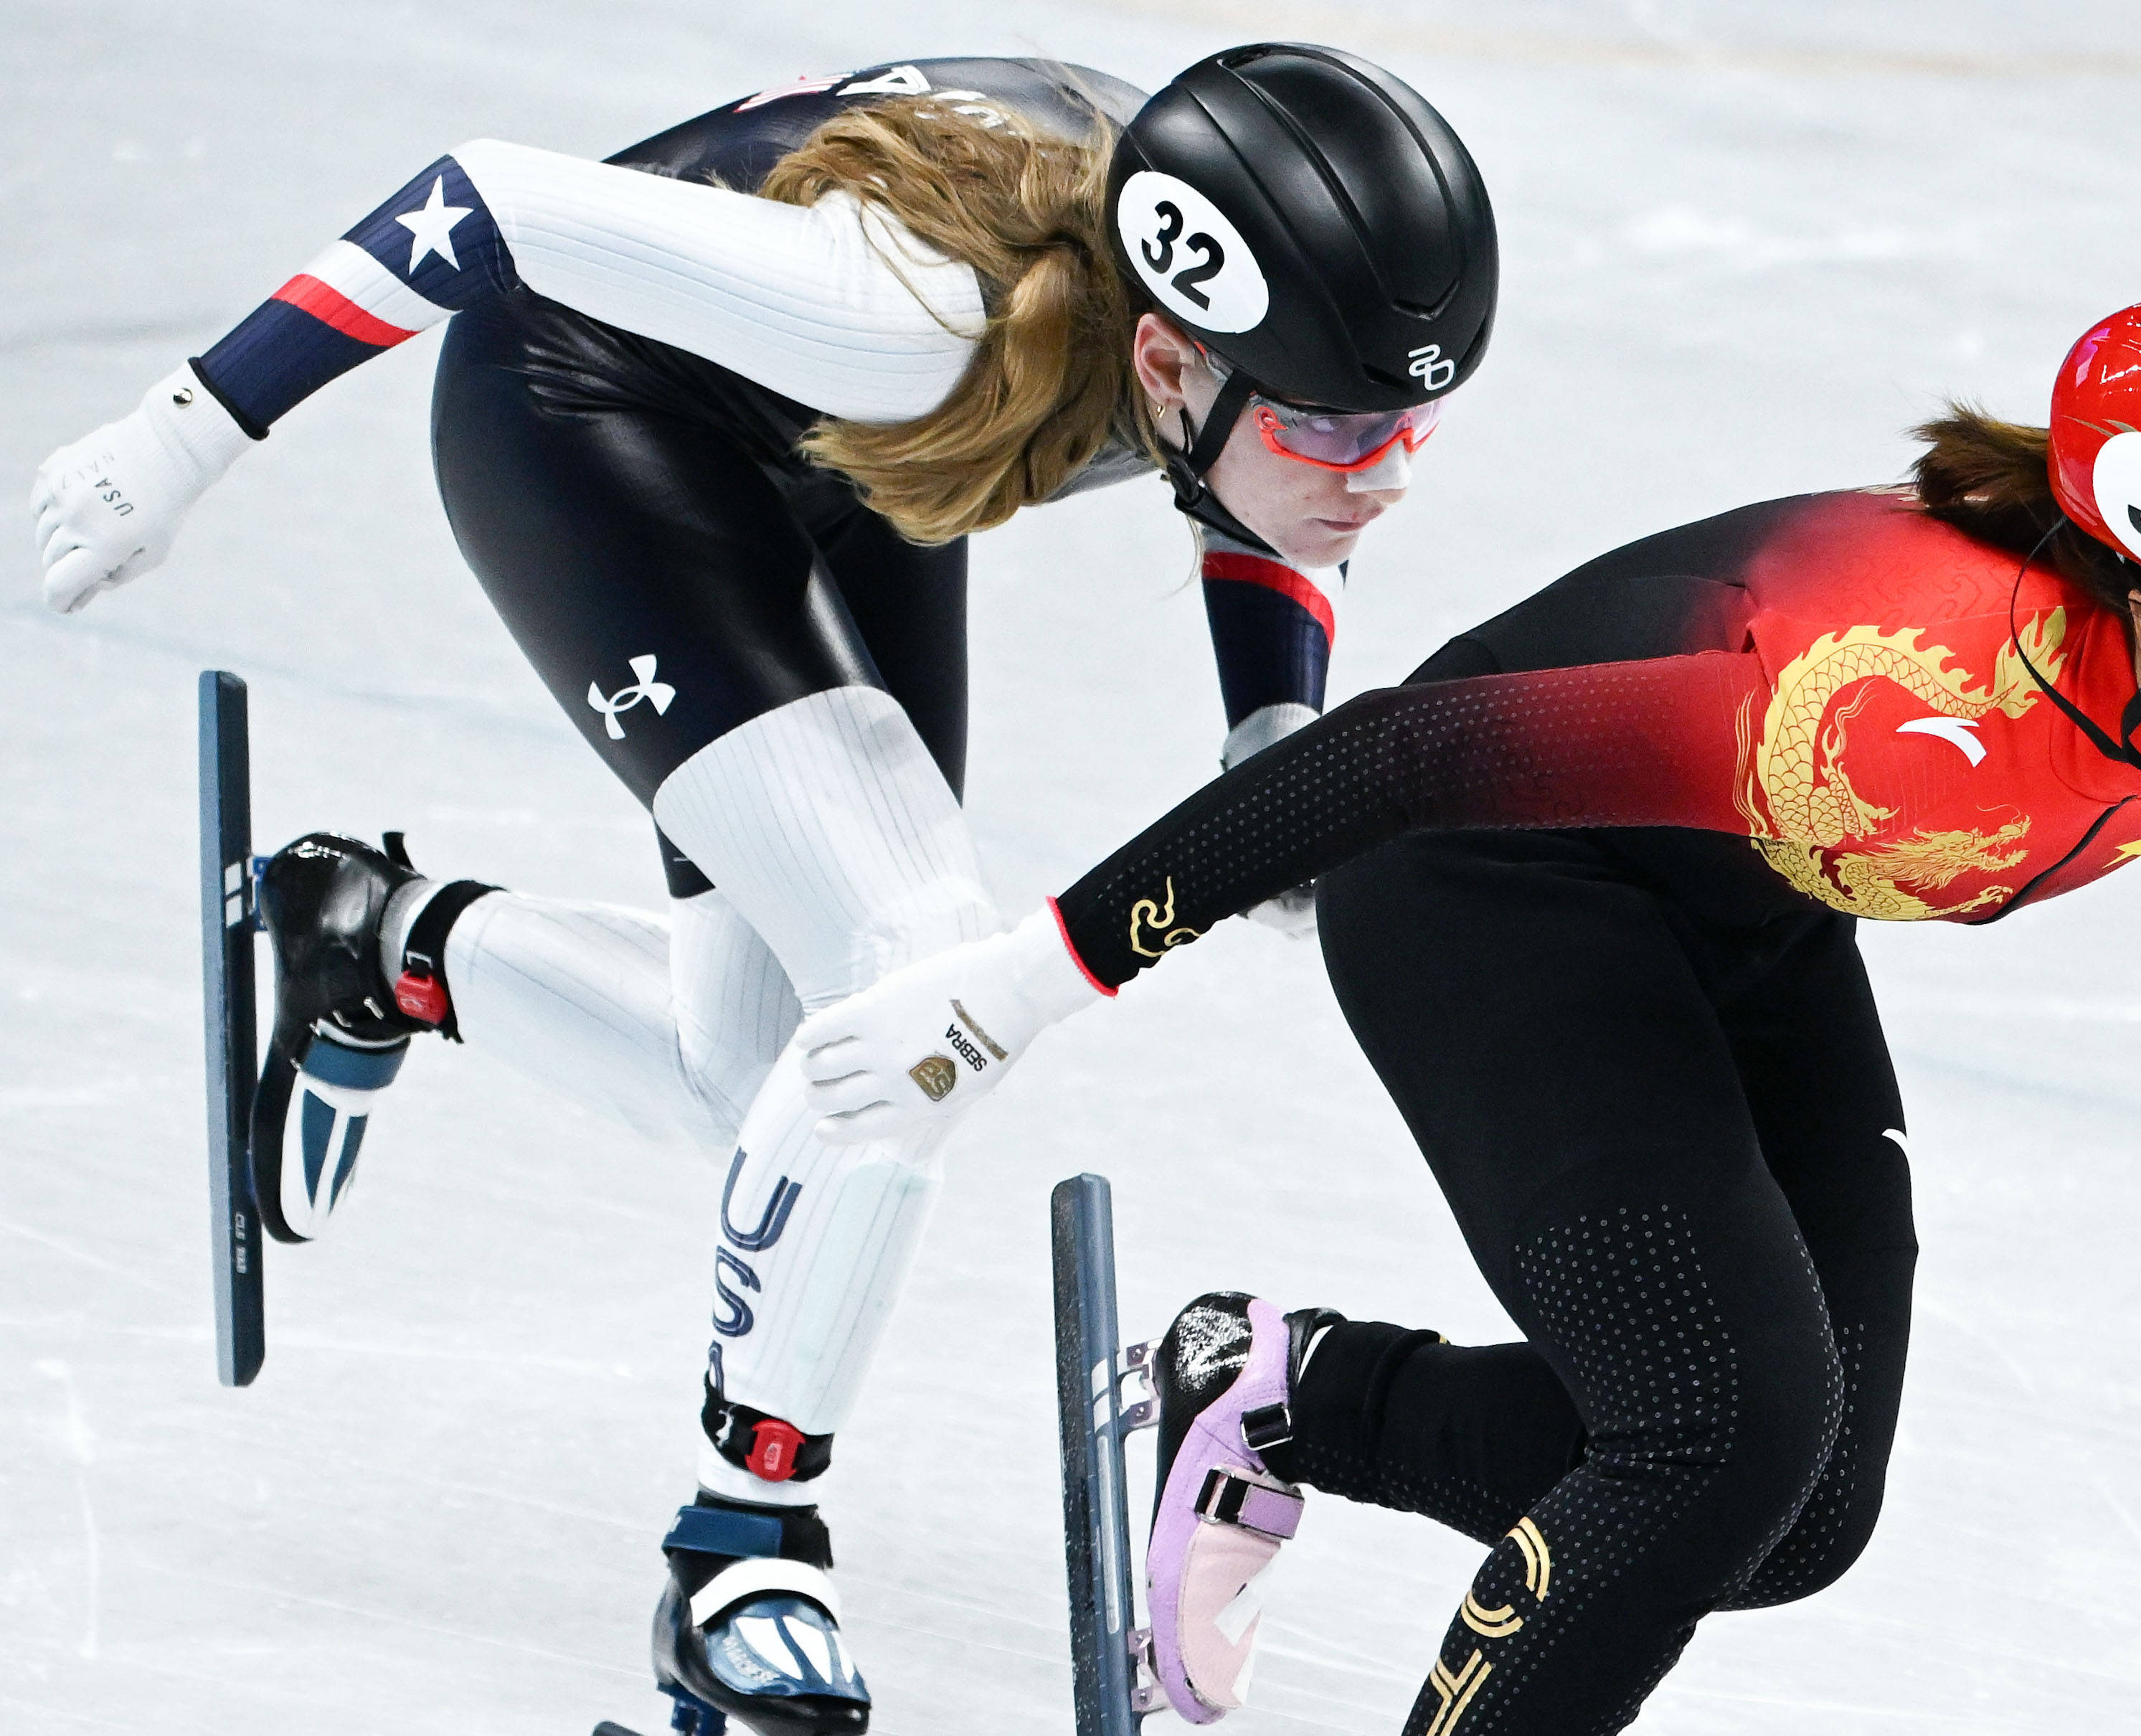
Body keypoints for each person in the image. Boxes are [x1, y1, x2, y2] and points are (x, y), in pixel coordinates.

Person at [785, 283, 2141, 1735]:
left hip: (1736, 910)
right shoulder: (1901, 703)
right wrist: (1009, 994)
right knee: (1718, 1432)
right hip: (1486, 892)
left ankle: (1281, 1394)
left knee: (1797, 1508)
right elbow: (1386, 757)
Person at [29, 46, 1495, 1736]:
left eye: (1415, 423)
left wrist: (1269, 736)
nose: (1383, 473)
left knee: (770, 1074)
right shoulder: (919, 311)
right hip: (601, 421)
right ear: (1168, 359)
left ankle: (380, 940)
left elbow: (1265, 512)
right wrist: (191, 426)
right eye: (1338, 424)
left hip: (848, 458)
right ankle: (744, 1548)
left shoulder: (1204, 325)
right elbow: (488, 202)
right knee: (916, 977)